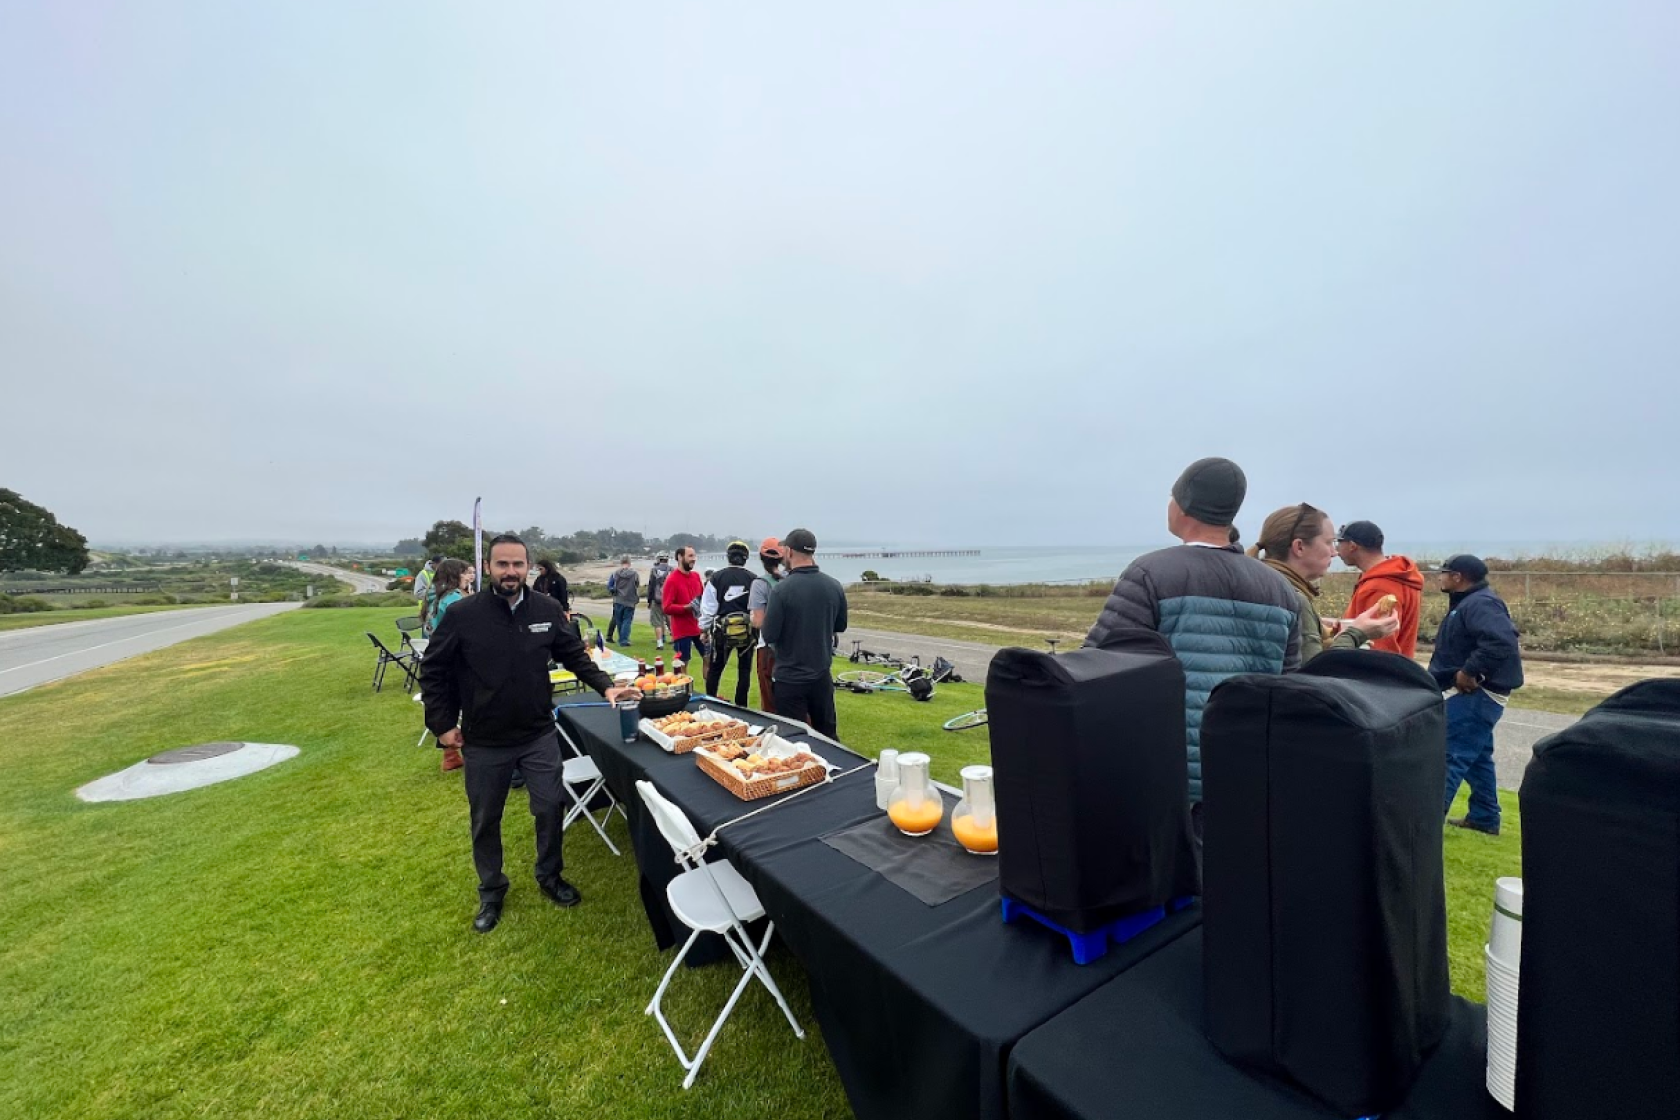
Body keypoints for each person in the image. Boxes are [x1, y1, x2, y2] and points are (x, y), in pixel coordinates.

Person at [420, 534, 638, 933]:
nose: (511, 572)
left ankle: (550, 875)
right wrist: (442, 724)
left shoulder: (547, 608)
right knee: (486, 818)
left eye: (518, 564)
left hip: (538, 733)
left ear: (529, 568)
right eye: (502, 564)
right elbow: (434, 670)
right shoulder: (463, 615)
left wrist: (606, 685)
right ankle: (491, 889)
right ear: (488, 568)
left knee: (549, 807)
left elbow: (573, 653)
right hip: (484, 740)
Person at [1084, 458, 1302, 847]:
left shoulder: (1151, 573)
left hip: (1164, 777)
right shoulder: (1281, 591)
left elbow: (1096, 666)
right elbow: (1290, 687)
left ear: (1182, 506)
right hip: (1246, 773)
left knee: (1169, 890)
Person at [1429, 554, 1523, 836]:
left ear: (1458, 577)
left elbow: (1501, 640)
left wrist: (1470, 672)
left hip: (1478, 693)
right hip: (1475, 693)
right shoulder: (1469, 602)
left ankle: (1426, 824)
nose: (1440, 577)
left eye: (1443, 572)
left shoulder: (1480, 603)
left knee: (1449, 755)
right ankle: (1484, 817)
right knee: (1478, 757)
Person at [1247, 504, 1400, 660]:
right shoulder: (1294, 600)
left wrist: (1318, 628)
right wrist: (1356, 634)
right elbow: (1316, 675)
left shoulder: (1259, 585)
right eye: (1329, 542)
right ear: (1299, 547)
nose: (1334, 553)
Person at [761, 528, 847, 738]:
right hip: (821, 676)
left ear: (789, 551)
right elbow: (840, 625)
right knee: (828, 737)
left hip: (790, 679)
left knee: (794, 741)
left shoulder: (782, 590)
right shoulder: (834, 586)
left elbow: (769, 634)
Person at [1335, 520, 1425, 658]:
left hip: (1376, 675)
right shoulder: (1398, 575)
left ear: (1352, 546)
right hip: (1399, 671)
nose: (1336, 550)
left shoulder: (1379, 586)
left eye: (1339, 543)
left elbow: (1379, 646)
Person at [699, 541, 759, 707]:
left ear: (728, 557)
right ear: (745, 558)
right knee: (744, 670)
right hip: (748, 633)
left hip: (722, 633)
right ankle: (742, 705)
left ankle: (710, 702)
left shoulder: (717, 578)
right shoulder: (754, 579)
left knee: (716, 668)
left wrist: (704, 629)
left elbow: (709, 608)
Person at [750, 537, 786, 712]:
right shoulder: (791, 580)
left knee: (770, 699)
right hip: (792, 647)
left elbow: (758, 621)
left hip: (768, 647)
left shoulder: (759, 584)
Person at [661, 546, 707, 673]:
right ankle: (682, 690)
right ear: (680, 557)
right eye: (690, 556)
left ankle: (711, 692)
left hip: (699, 627)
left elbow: (703, 598)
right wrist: (686, 607)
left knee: (709, 658)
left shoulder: (696, 576)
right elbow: (666, 607)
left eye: (694, 556)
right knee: (682, 663)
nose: (694, 559)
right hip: (682, 630)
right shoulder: (672, 580)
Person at [606, 556, 639, 647]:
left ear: (621, 563)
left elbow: (609, 586)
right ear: (629, 563)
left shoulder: (615, 573)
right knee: (627, 620)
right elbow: (637, 584)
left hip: (618, 599)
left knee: (619, 620)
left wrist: (614, 591)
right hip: (630, 599)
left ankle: (622, 638)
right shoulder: (634, 574)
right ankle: (624, 640)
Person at [646, 554, 672, 650]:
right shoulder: (672, 570)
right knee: (670, 621)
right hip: (669, 600)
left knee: (657, 622)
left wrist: (649, 600)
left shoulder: (654, 570)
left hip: (656, 600)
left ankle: (660, 643)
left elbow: (651, 586)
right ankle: (675, 639)